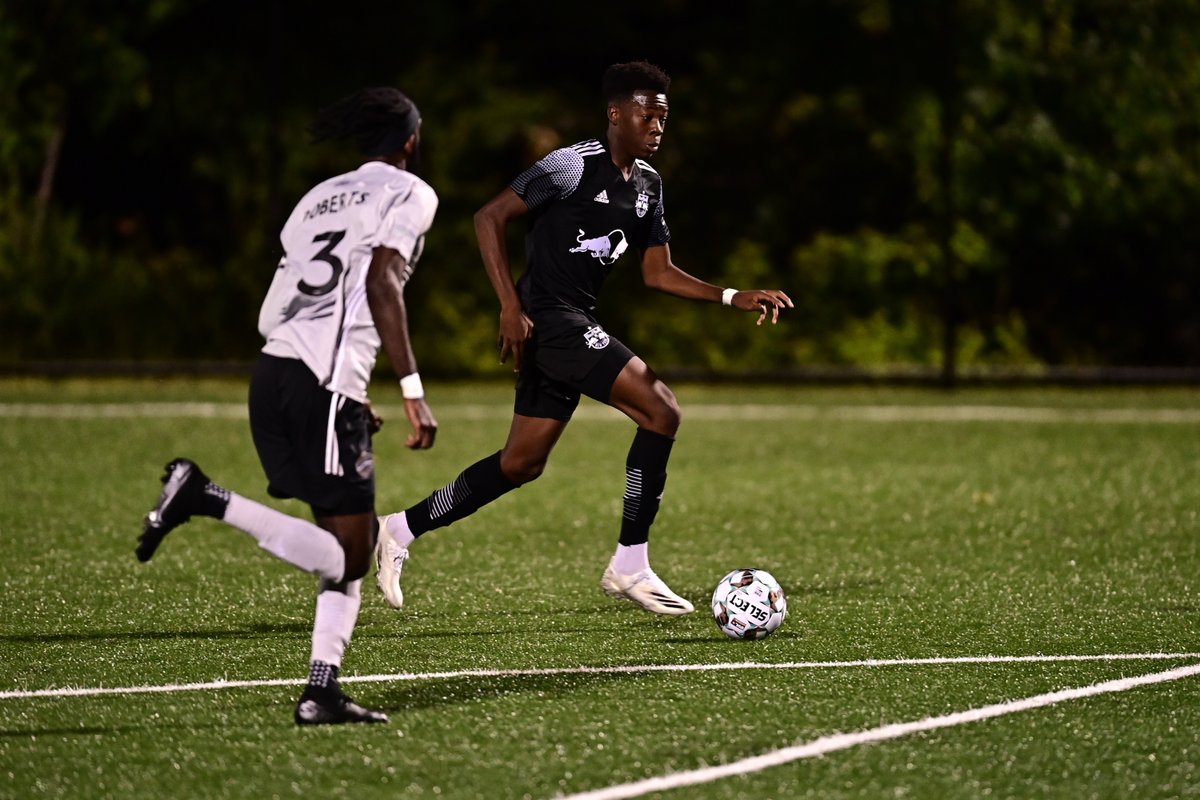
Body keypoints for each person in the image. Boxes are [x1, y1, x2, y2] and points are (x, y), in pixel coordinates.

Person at [373, 62, 792, 616]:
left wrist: (730, 295)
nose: (658, 127)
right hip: (552, 319)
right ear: (616, 114)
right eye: (648, 115)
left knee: (521, 463)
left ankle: (399, 528)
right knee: (661, 411)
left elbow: (657, 272)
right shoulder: (570, 166)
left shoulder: (648, 186)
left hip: (567, 322)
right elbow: (488, 217)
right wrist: (509, 305)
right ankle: (630, 564)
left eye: (664, 118)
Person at [135, 87, 439, 725]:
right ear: (410, 140)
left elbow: (289, 298)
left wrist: (345, 394)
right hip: (322, 383)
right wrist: (412, 391)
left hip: (275, 370)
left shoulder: (316, 197)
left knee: (346, 535)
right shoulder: (410, 193)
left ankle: (321, 688)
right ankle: (204, 496)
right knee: (352, 553)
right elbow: (382, 277)